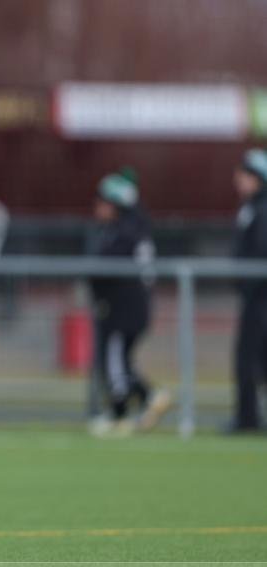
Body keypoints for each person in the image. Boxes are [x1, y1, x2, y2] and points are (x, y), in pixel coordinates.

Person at [86, 168, 170, 437]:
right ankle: (149, 398)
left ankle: (121, 412)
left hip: (124, 309)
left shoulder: (124, 231)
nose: (98, 208)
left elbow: (105, 269)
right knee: (121, 361)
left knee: (114, 361)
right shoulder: (131, 227)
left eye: (104, 202)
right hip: (130, 307)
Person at [228, 148, 267, 434]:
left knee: (250, 358)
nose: (238, 180)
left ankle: (248, 419)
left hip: (261, 297)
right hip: (253, 296)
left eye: (245, 175)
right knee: (252, 358)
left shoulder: (261, 209)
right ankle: (247, 417)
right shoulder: (250, 207)